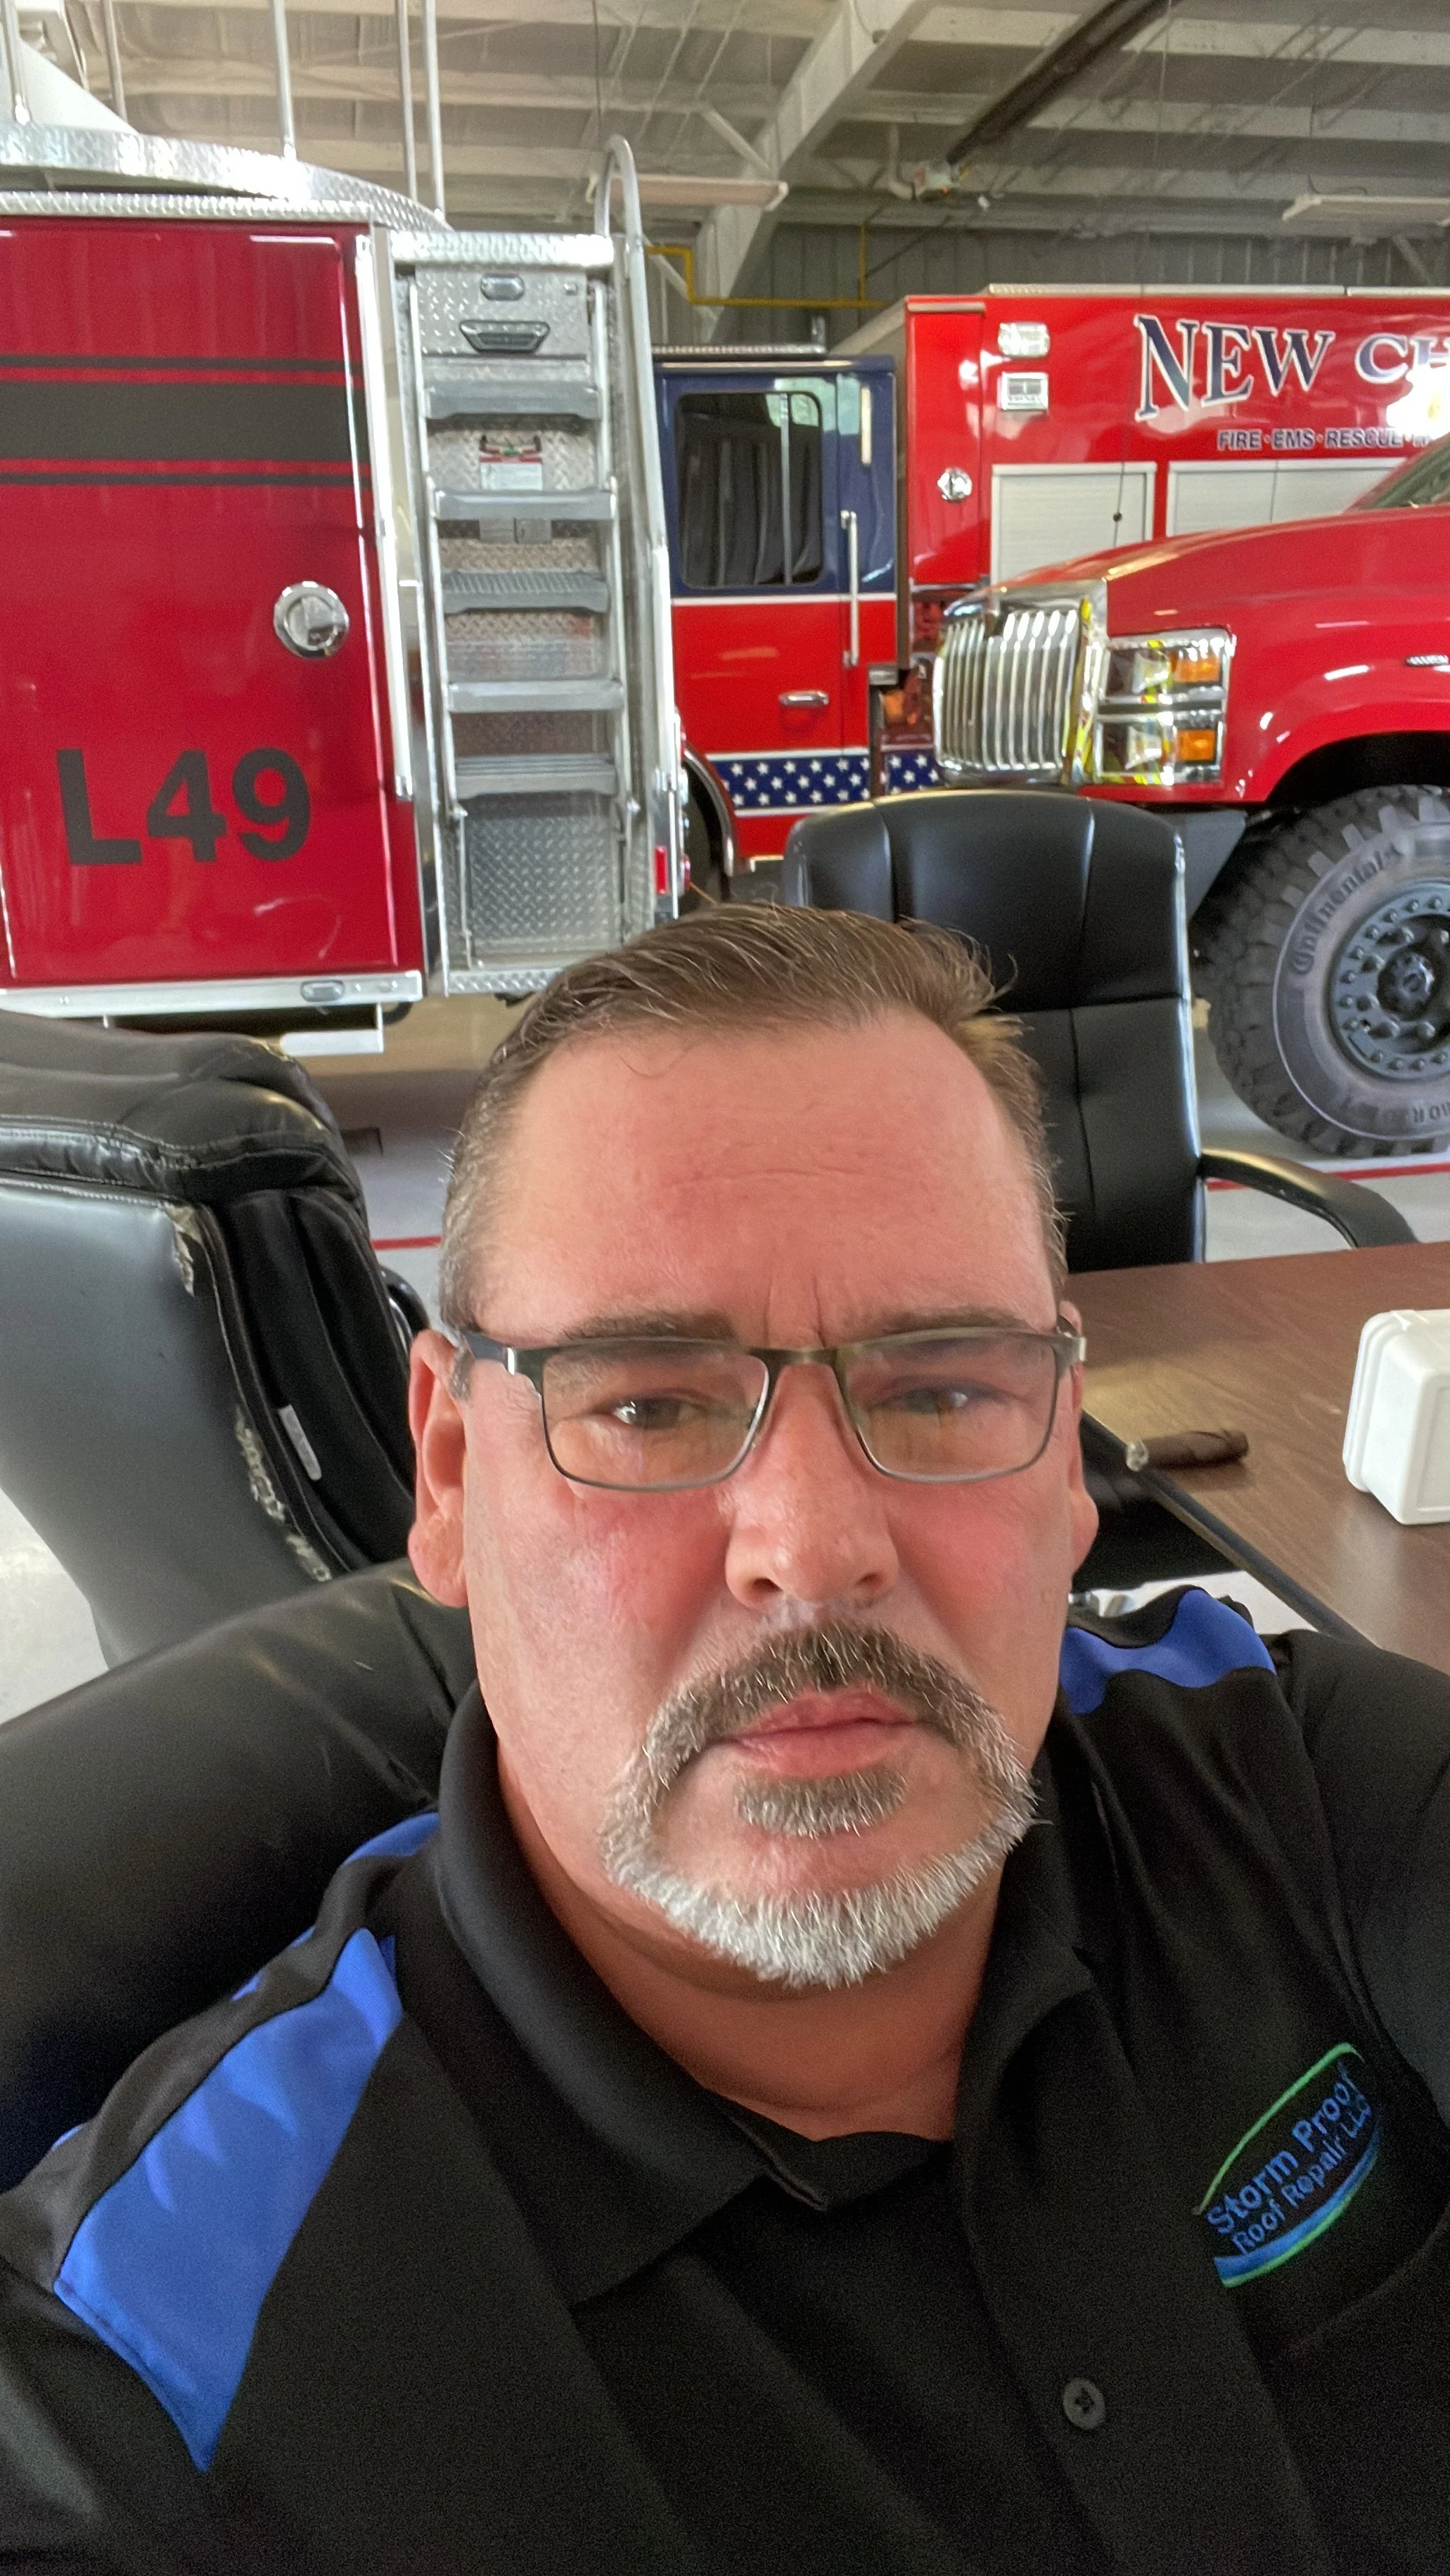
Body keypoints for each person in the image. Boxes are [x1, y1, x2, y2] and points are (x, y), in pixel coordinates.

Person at [0, 904, 1448, 2576]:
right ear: (451, 1475)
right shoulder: (156, 2374)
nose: (814, 1544)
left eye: (936, 1387)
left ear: (1067, 1456)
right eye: (645, 1401)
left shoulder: (1310, 1792)